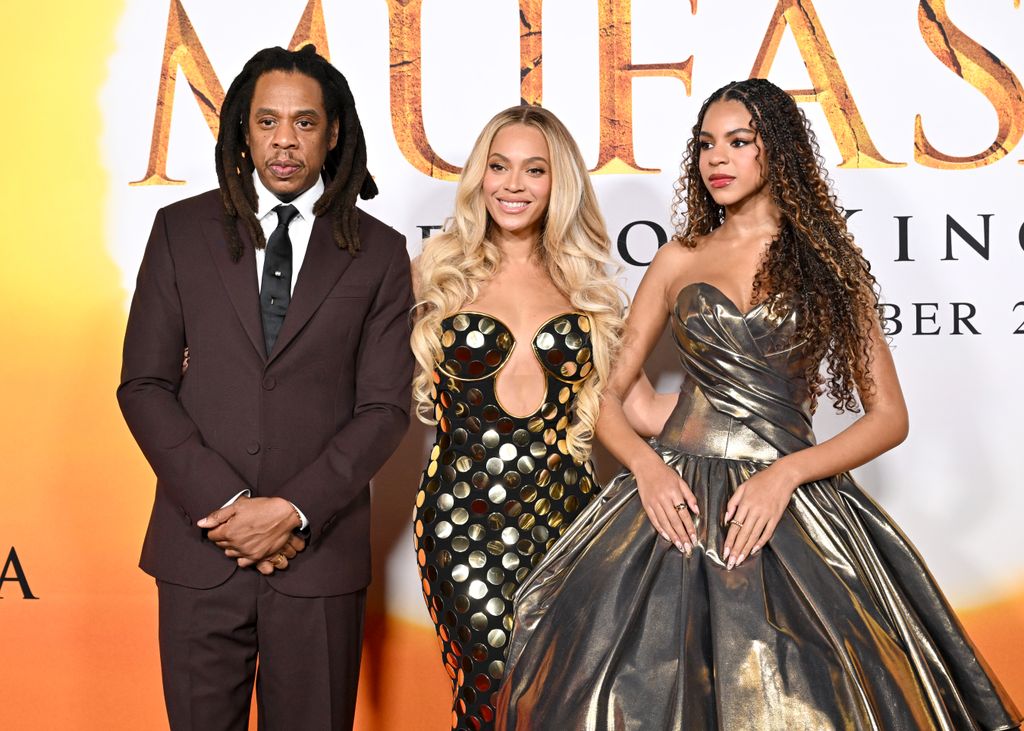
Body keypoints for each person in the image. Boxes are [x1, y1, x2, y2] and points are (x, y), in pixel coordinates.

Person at [496, 79, 1021, 730]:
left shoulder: (830, 264)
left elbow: (890, 417)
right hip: (676, 501)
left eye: (739, 142)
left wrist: (786, 473)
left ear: (779, 153)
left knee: (806, 699)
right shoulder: (677, 259)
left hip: (787, 503)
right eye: (707, 144)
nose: (718, 158)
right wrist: (649, 467)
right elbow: (606, 396)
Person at [117, 45, 413, 730]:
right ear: (243, 131)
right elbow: (144, 385)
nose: (285, 140)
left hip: (318, 559)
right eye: (268, 121)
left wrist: (292, 511)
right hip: (200, 552)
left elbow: (383, 409)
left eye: (305, 123)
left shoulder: (379, 252)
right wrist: (229, 507)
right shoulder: (179, 232)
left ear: (333, 132)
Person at [409, 105, 627, 731]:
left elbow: (633, 407)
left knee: (558, 702)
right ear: (479, 176)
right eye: (499, 166)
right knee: (492, 690)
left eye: (535, 170)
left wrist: (748, 407)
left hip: (570, 522)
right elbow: (336, 359)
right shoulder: (434, 273)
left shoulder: (586, 287)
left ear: (559, 183)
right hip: (463, 522)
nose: (513, 184)